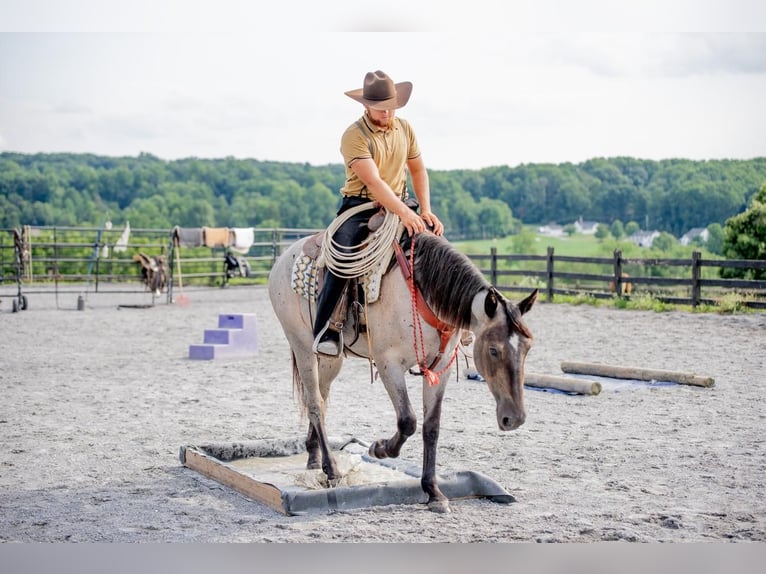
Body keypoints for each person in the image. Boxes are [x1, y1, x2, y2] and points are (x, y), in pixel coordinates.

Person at [313, 70, 445, 356]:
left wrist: (425, 210)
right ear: (365, 105)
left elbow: (418, 168)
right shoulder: (354, 136)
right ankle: (328, 329)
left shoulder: (405, 128)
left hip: (401, 201)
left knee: (436, 244)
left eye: (391, 106)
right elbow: (373, 182)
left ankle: (446, 317)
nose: (387, 113)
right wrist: (405, 214)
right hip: (360, 206)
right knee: (343, 255)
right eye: (381, 108)